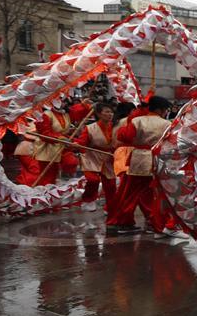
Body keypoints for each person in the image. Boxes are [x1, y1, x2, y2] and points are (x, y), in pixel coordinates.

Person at [108, 96, 184, 238]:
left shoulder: (137, 120)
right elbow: (173, 143)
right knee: (155, 195)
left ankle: (125, 222)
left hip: (137, 159)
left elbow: (124, 137)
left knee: (131, 193)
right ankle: (158, 224)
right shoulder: (166, 124)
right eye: (165, 110)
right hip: (156, 160)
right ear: (160, 110)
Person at [17, 101, 90, 186]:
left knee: (71, 162)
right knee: (48, 176)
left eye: (63, 100)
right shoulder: (45, 115)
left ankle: (65, 181)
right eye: (60, 99)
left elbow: (76, 112)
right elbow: (45, 133)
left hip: (62, 146)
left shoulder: (65, 114)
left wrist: (86, 106)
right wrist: (60, 138)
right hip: (48, 147)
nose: (62, 102)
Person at [74, 102, 117, 213]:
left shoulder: (115, 127)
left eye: (111, 112)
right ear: (99, 114)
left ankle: (111, 208)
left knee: (111, 184)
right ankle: (88, 200)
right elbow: (82, 142)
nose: (110, 114)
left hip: (108, 157)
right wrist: (76, 144)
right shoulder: (90, 128)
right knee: (93, 180)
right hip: (91, 156)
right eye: (107, 112)